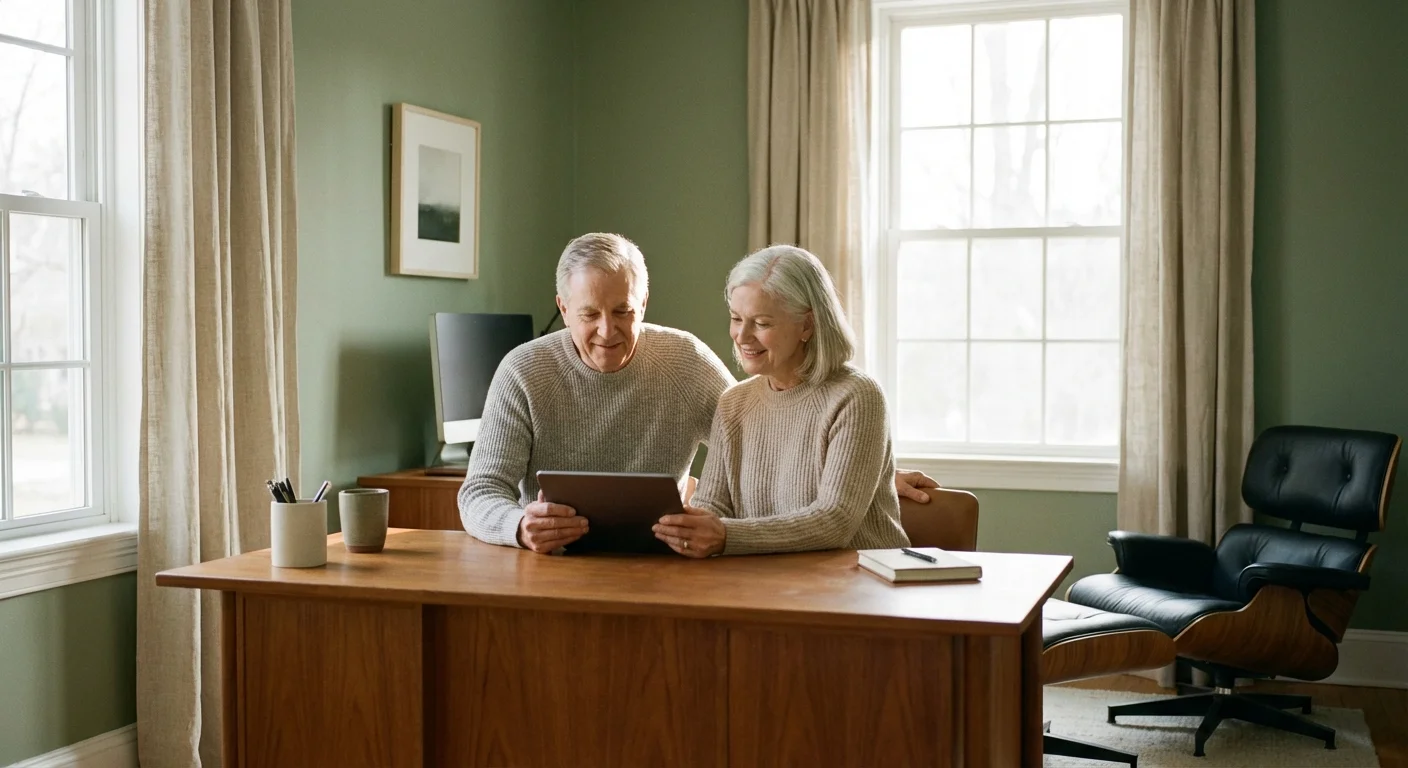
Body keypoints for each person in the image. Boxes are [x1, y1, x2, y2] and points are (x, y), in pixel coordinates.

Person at [459, 233, 937, 553]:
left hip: (804, 579)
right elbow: (480, 490)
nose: (607, 330)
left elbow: (784, 436)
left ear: (643, 303)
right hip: (562, 561)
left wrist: (867, 469)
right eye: (589, 315)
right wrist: (518, 526)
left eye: (623, 312)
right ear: (563, 309)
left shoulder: (687, 363)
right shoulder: (523, 370)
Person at [652, 245, 910, 557]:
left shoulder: (857, 396)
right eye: (736, 318)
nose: (742, 335)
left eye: (761, 323)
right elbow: (713, 507)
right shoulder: (734, 403)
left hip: (859, 585)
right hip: (765, 583)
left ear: (807, 325)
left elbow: (835, 521)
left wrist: (725, 535)